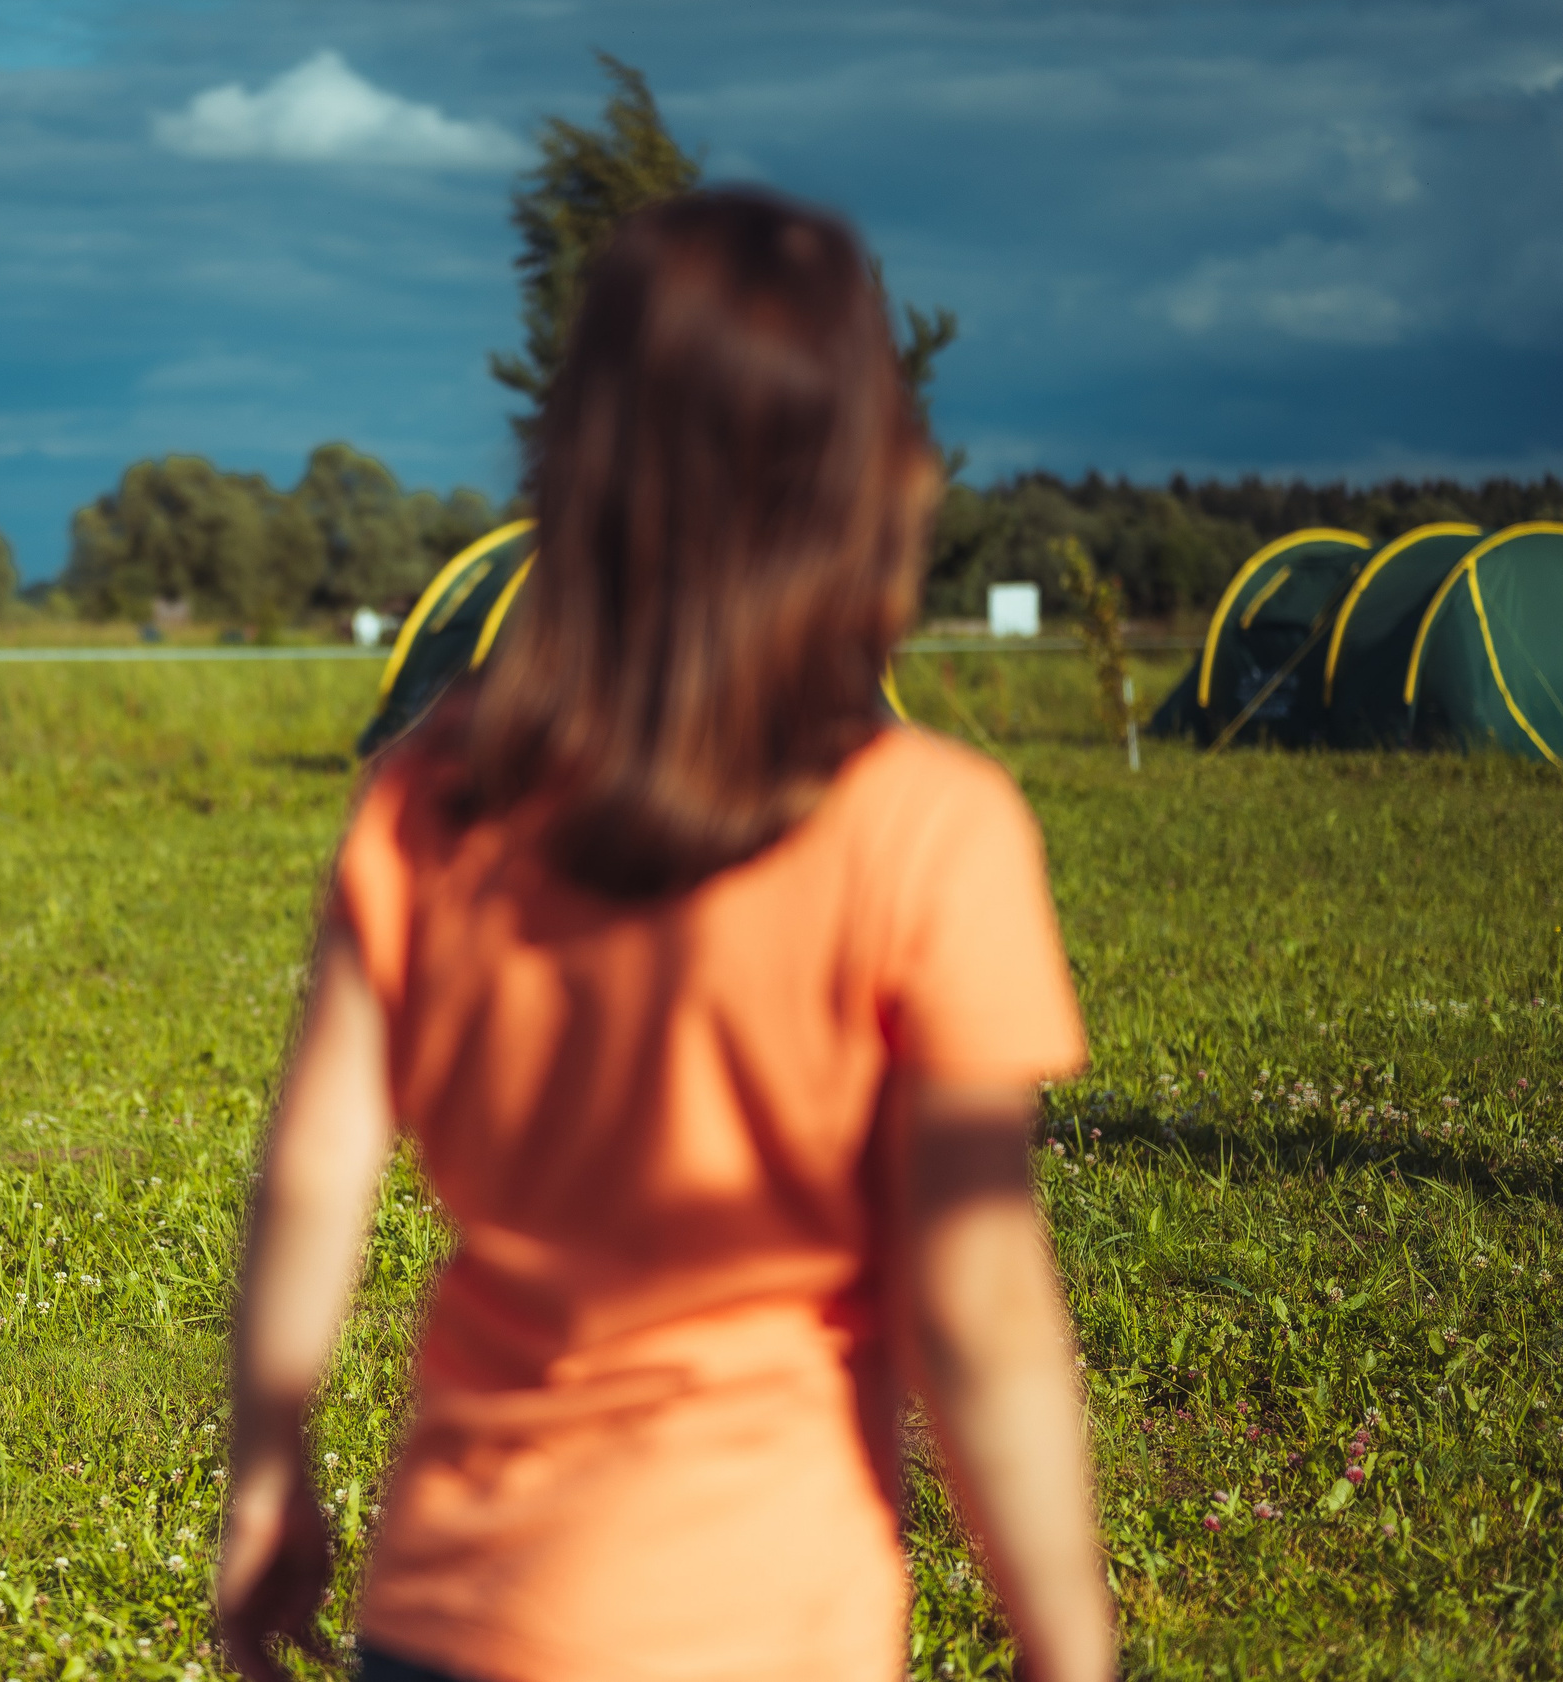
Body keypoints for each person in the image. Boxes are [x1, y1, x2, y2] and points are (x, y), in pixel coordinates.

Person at [217, 192, 1115, 1682]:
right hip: (763, 1623)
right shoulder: (934, 826)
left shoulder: (431, 792)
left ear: (576, 461)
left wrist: (267, 1463)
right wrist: (1065, 1630)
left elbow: (316, 1170)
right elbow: (977, 1281)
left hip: (450, 1608)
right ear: (871, 471)